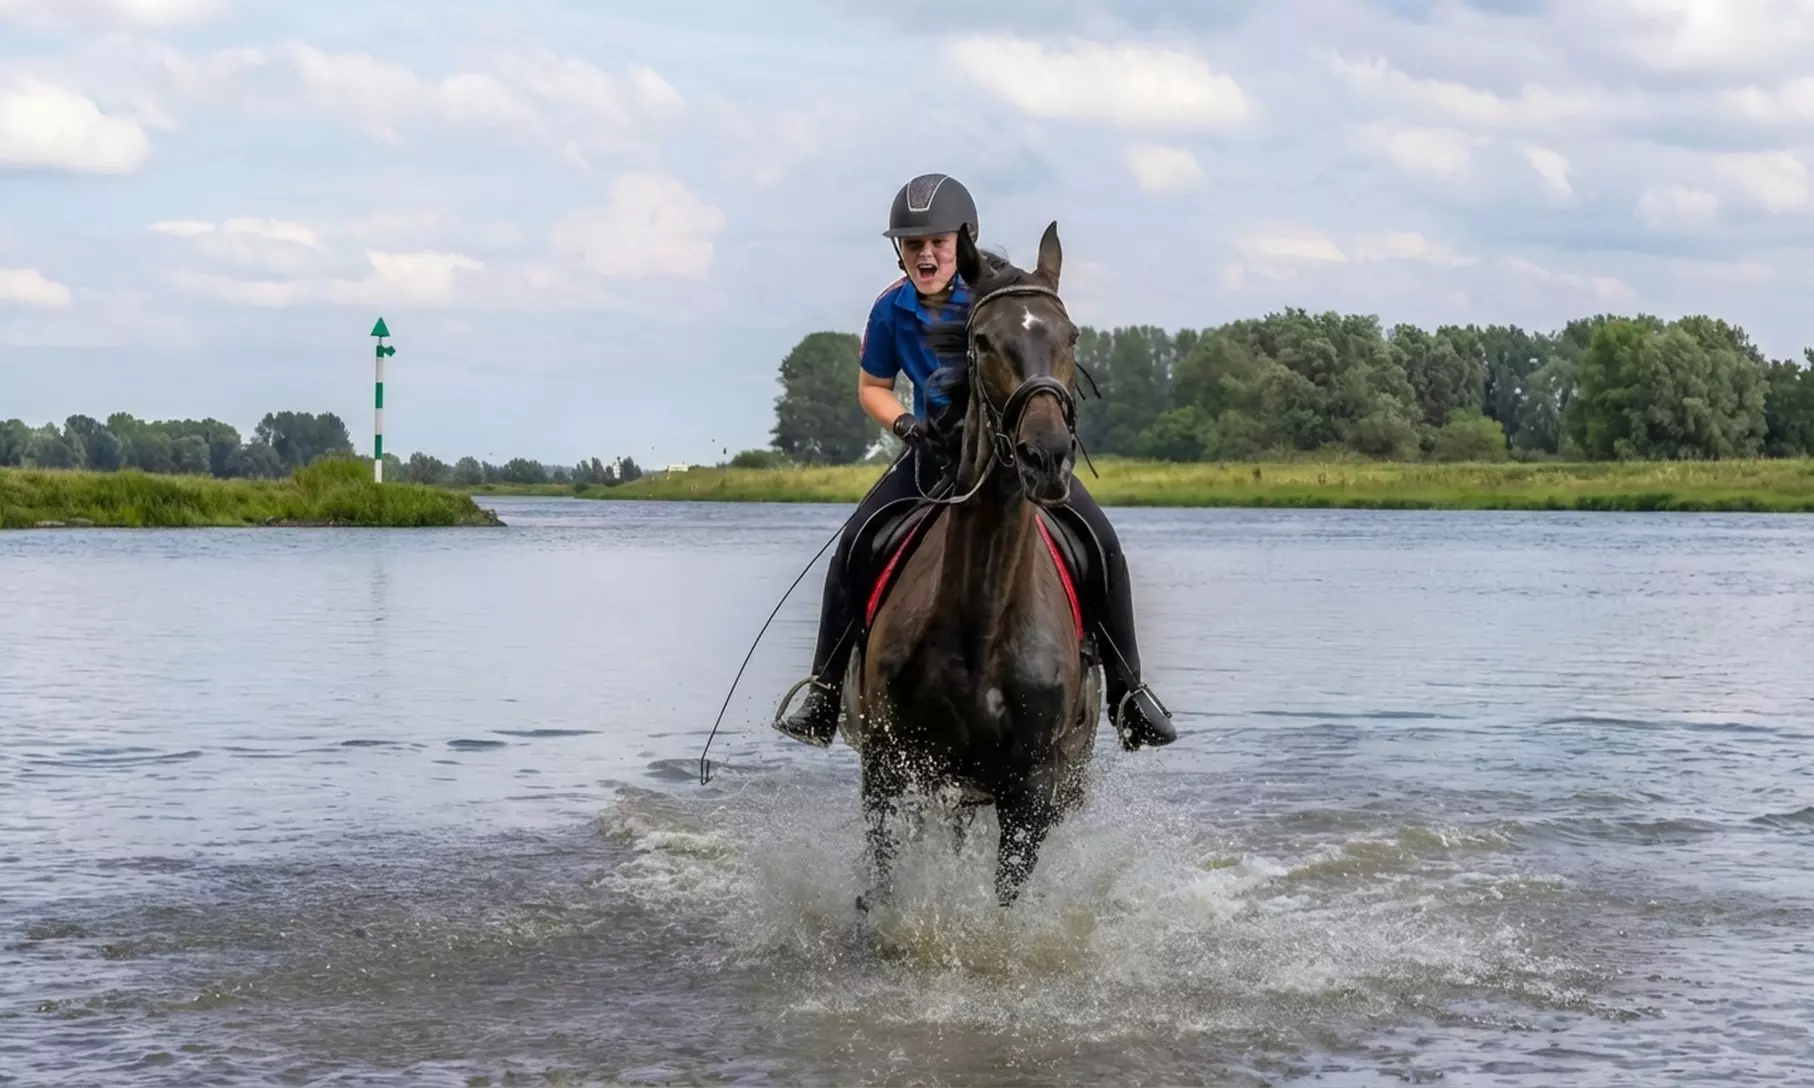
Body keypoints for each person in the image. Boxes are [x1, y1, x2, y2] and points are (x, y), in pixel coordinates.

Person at [774, 172, 1176, 751]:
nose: (925, 254)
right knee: (855, 544)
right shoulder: (890, 309)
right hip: (932, 457)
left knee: (1101, 543)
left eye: (937, 242)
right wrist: (906, 425)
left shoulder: (994, 294)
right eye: (912, 244)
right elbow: (872, 387)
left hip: (1016, 460)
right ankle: (825, 691)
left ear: (961, 243)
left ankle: (1128, 694)